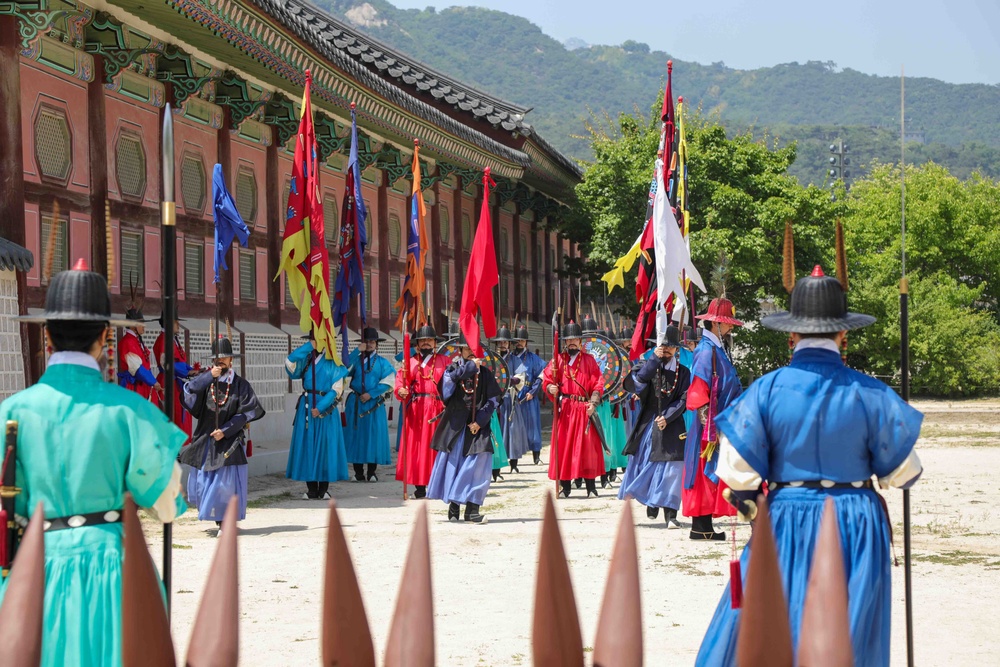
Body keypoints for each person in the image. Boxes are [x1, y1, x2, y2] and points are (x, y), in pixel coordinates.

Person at [695, 266, 923, 665]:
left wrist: (756, 510)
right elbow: (903, 473)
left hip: (785, 517)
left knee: (770, 620)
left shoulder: (764, 391)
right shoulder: (871, 392)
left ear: (792, 334)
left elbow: (735, 477)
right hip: (855, 522)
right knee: (848, 633)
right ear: (843, 333)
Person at [0, 260, 186, 667]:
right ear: (105, 336)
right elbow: (168, 503)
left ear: (47, 337)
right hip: (116, 571)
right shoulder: (129, 411)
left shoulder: (10, 413)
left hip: (32, 572)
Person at [180, 337, 265, 531]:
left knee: (225, 485)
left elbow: (247, 412)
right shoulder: (206, 381)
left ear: (231, 361)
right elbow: (189, 391)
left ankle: (225, 523)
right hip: (206, 438)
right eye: (217, 359)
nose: (221, 362)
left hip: (229, 440)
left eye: (224, 358)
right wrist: (207, 376)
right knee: (204, 484)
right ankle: (218, 520)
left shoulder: (241, 385)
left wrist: (226, 431)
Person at [617, 326, 689, 527]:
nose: (666, 351)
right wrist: (653, 361)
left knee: (673, 468)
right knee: (649, 463)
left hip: (673, 424)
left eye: (670, 348)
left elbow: (684, 399)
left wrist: (668, 416)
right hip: (649, 424)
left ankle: (671, 514)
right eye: (662, 347)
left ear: (677, 350)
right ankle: (652, 501)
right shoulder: (647, 365)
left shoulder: (683, 372)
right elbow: (636, 383)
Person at [426, 334, 502, 523]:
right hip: (456, 425)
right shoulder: (452, 370)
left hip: (478, 425)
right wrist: (468, 368)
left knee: (479, 465)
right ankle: (454, 506)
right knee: (456, 464)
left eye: (473, 349)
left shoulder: (485, 373)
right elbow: (445, 391)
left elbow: (494, 399)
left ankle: (472, 509)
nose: (470, 352)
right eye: (466, 349)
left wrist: (481, 420)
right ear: (460, 351)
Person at [683, 297, 742, 541]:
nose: (731, 327)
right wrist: (709, 425)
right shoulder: (706, 351)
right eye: (727, 323)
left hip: (722, 420)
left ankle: (702, 527)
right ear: (716, 324)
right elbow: (698, 390)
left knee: (710, 469)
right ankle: (701, 526)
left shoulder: (717, 349)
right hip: (710, 421)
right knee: (705, 469)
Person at [542, 321, 606, 499]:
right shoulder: (557, 360)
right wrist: (550, 388)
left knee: (587, 448)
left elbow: (598, 383)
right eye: (568, 339)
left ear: (580, 341)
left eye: (575, 339)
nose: (571, 342)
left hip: (584, 408)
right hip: (566, 409)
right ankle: (565, 487)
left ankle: (591, 487)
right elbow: (547, 380)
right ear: (564, 341)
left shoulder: (589, 360)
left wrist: (593, 403)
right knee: (564, 447)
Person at [284, 332, 349, 498]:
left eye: (317, 340)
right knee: (307, 446)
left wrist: (320, 407)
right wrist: (308, 347)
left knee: (325, 446)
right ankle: (311, 489)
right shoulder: (306, 361)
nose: (315, 343)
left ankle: (323, 488)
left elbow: (336, 390)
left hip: (324, 410)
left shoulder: (334, 363)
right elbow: (289, 363)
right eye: (312, 340)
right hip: (306, 406)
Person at [395, 324, 449, 499]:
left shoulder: (445, 361)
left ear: (435, 342)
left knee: (438, 447)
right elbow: (401, 383)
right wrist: (401, 391)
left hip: (439, 408)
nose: (426, 343)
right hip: (417, 409)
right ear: (417, 344)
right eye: (423, 340)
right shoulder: (409, 363)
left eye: (429, 340)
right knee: (418, 448)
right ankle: (419, 487)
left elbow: (453, 384)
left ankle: (438, 485)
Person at [343, 328, 395, 482]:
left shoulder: (382, 362)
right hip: (356, 402)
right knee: (355, 436)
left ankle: (371, 472)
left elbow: (390, 381)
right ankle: (358, 472)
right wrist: (355, 352)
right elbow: (344, 370)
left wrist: (371, 394)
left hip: (374, 404)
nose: (370, 344)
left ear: (376, 344)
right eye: (367, 341)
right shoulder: (356, 361)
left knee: (373, 436)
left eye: (372, 342)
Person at [153, 312, 193, 438]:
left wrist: (194, 370)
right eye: (176, 322)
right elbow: (167, 364)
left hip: (176, 382)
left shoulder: (172, 339)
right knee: (171, 416)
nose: (178, 325)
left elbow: (180, 362)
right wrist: (187, 372)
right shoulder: (164, 340)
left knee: (179, 415)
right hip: (168, 382)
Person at [511, 324, 546, 465]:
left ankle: (536, 456)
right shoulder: (510, 357)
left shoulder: (533, 358)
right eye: (518, 340)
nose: (520, 343)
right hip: (514, 397)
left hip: (529, 397)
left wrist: (533, 392)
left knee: (533, 428)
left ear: (526, 342)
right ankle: (514, 460)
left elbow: (541, 375)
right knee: (514, 429)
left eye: (523, 340)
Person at [117, 302, 160, 399]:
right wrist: (153, 381)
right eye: (141, 324)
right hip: (134, 387)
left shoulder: (136, 340)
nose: (144, 326)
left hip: (143, 384)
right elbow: (137, 368)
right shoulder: (127, 342)